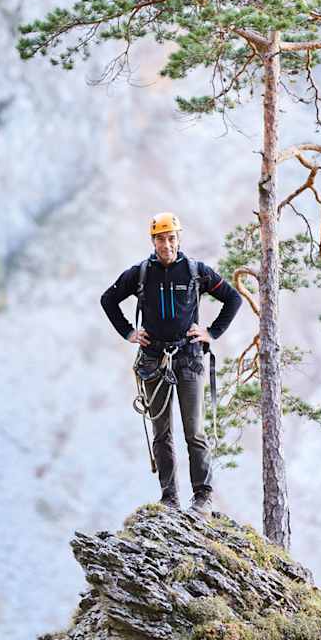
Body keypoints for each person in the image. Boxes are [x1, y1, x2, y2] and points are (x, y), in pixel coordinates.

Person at [100, 212, 242, 515]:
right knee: (161, 433)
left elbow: (233, 299)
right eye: (161, 239)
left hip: (189, 359)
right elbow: (108, 300)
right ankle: (170, 499)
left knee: (194, 431)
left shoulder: (196, 272)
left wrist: (212, 332)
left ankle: (202, 497)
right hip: (153, 361)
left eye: (171, 238)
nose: (166, 244)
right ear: (153, 241)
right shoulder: (140, 274)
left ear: (179, 238)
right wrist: (128, 332)